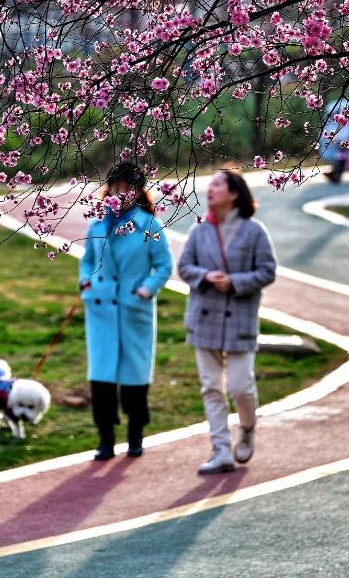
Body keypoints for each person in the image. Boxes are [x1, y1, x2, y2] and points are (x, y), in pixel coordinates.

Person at [177, 169, 278, 474]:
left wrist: (235, 282)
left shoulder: (254, 231)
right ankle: (220, 449)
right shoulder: (199, 231)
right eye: (210, 185)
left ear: (234, 193)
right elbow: (184, 267)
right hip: (204, 317)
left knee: (240, 386)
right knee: (210, 387)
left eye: (218, 185)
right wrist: (205, 277)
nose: (211, 190)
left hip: (240, 319)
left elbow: (267, 271)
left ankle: (247, 428)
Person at [79, 161, 174, 460]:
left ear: (138, 191)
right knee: (102, 378)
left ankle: (135, 436)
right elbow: (86, 260)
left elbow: (164, 264)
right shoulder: (96, 224)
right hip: (102, 310)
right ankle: (105, 439)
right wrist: (85, 282)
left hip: (135, 308)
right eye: (116, 187)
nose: (121, 193)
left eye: (128, 187)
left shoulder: (150, 225)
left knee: (135, 377)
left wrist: (146, 289)